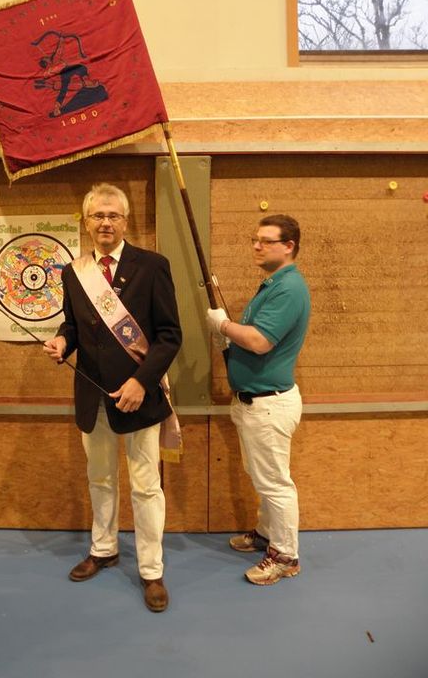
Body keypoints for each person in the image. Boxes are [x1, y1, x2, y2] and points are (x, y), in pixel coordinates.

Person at [43, 183, 182, 612]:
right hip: (94, 395)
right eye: (98, 216)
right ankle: (103, 549)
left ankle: (151, 570)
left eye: (113, 216)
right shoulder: (74, 272)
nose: (105, 223)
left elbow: (169, 335)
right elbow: (72, 325)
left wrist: (142, 382)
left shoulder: (152, 266)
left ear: (125, 221)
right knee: (100, 479)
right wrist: (62, 342)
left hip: (140, 398)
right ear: (86, 222)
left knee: (146, 487)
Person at [207, 215, 310, 586]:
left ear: (289, 246)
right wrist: (229, 336)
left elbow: (260, 341)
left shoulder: (289, 288)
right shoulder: (272, 285)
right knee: (263, 477)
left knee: (275, 483)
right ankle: (268, 534)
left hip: (269, 404)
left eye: (266, 241)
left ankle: (285, 557)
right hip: (256, 403)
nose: (256, 246)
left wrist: (222, 325)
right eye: (255, 239)